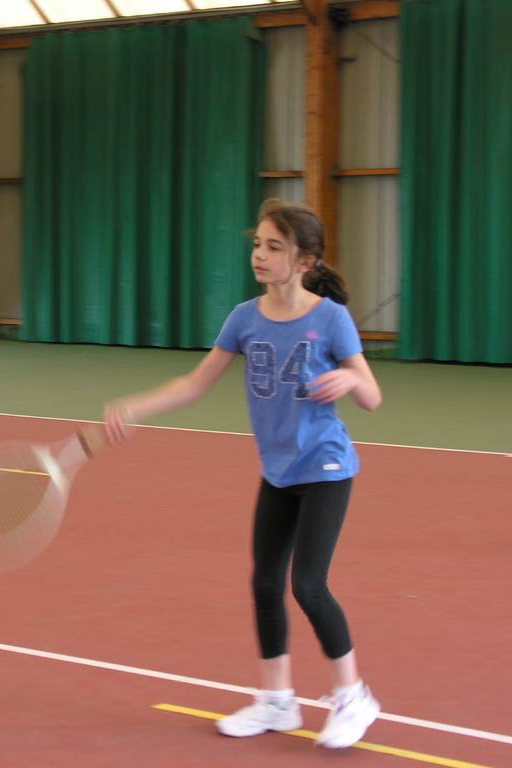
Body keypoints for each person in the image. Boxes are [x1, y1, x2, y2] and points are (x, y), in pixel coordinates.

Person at [104, 199, 382, 749]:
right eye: (257, 244)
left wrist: (351, 381)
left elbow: (373, 396)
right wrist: (135, 406)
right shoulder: (244, 318)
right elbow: (195, 383)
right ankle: (277, 702)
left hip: (325, 467)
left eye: (274, 247)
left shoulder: (330, 319)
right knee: (264, 583)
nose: (259, 254)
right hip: (277, 471)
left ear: (304, 261)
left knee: (308, 585)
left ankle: (353, 695)